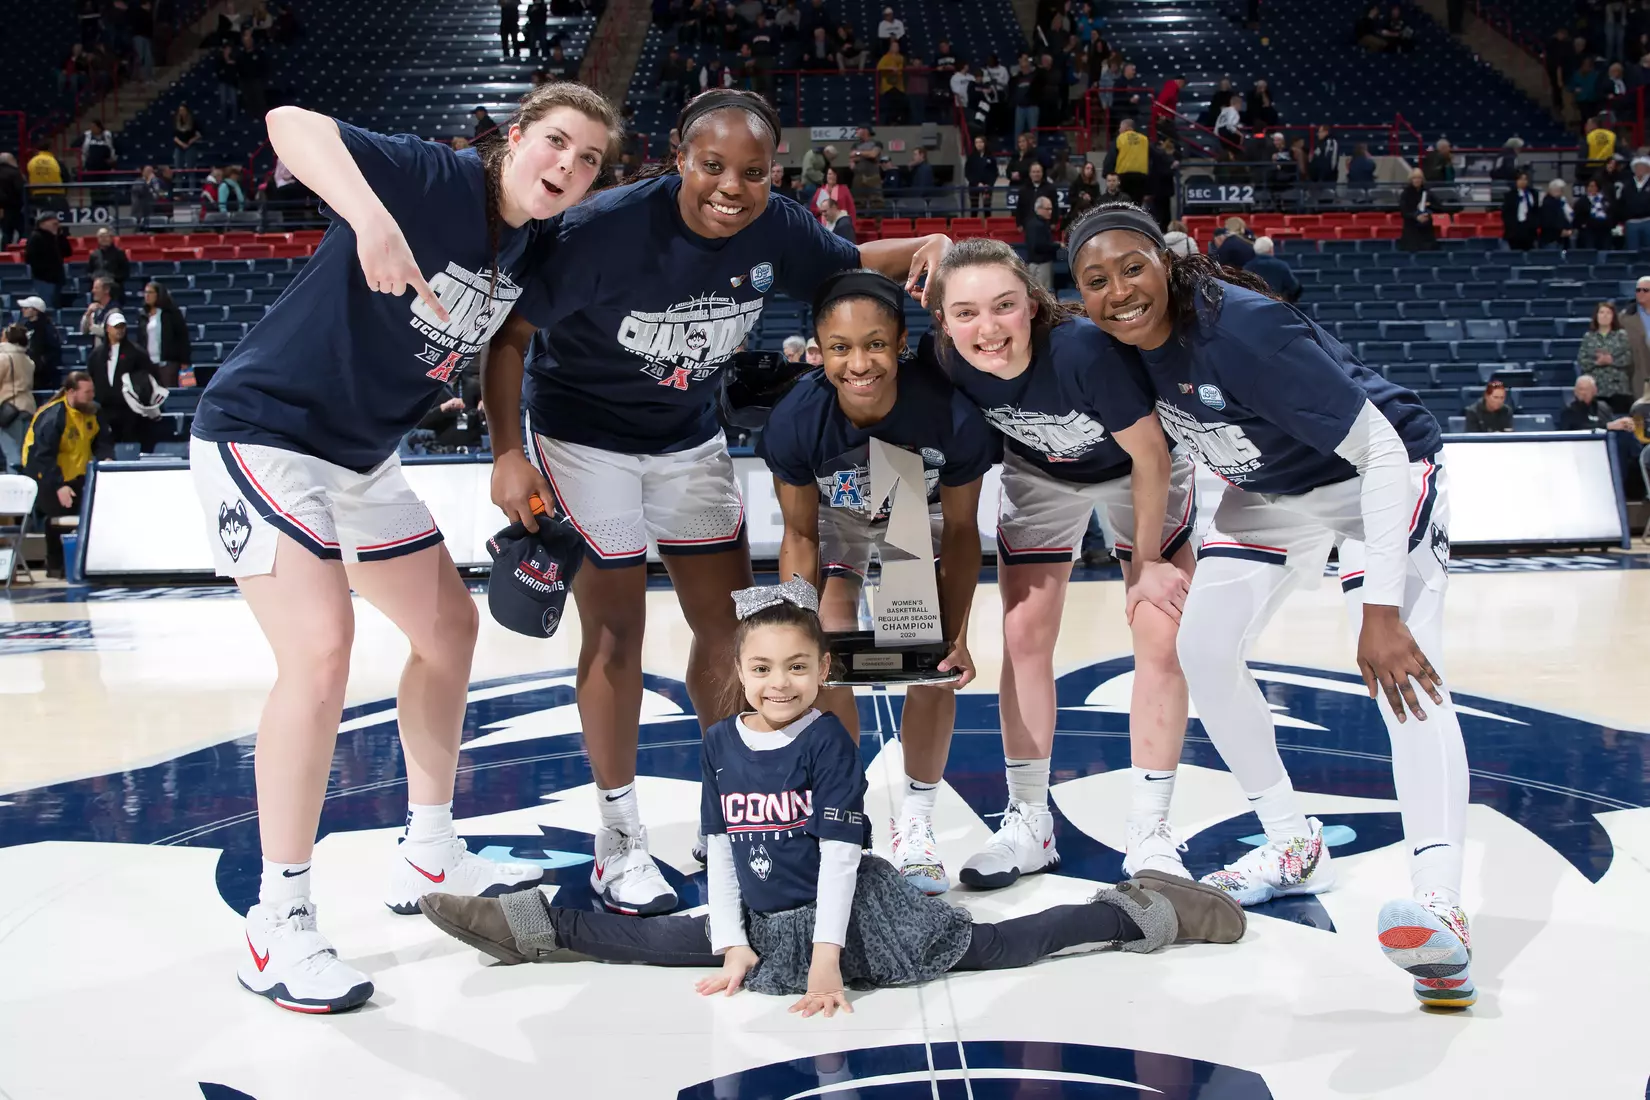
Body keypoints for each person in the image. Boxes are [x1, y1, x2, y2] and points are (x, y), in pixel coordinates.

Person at [185, 83, 623, 1015]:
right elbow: (289, 123)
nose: (568, 166)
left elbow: (505, 343)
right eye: (556, 142)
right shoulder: (436, 179)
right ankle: (277, 922)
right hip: (262, 433)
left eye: (588, 160)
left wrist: (508, 450)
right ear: (516, 138)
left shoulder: (533, 246)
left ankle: (428, 849)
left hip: (359, 459)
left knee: (450, 629)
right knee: (321, 651)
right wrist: (372, 219)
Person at [481, 90, 950, 917]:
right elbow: (510, 333)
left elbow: (849, 262)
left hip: (689, 437)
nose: (732, 187)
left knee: (733, 631)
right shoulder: (603, 229)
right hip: (583, 437)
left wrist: (930, 245)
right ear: (679, 157)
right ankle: (619, 839)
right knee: (616, 631)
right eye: (713, 166)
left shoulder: (778, 229)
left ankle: (730, 803)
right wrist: (508, 452)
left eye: (753, 172)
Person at [417, 580, 1247, 1003]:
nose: (779, 684)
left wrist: (824, 965)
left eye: (796, 668)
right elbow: (723, 855)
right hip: (763, 918)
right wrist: (733, 942)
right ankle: (522, 926)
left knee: (1005, 946)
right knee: (651, 942)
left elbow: (843, 862)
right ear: (738, 671)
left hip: (849, 918)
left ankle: (1144, 910)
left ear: (823, 670)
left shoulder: (827, 742)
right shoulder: (719, 744)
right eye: (761, 668)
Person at [1072, 201, 1475, 1010]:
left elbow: (1381, 449)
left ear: (1166, 262)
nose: (1119, 291)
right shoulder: (1108, 346)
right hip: (1270, 490)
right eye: (1096, 280)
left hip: (1376, 477)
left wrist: (1381, 611)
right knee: (1202, 649)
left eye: (1132, 268)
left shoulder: (1243, 330)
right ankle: (1294, 844)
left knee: (1405, 678)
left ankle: (1441, 903)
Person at [926, 236, 1199, 887]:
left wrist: (1149, 561)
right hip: (1041, 473)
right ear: (943, 320)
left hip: (1140, 470)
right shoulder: (948, 361)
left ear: (1032, 304)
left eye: (1004, 306)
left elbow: (1151, 455)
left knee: (1160, 629)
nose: (988, 328)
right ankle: (1029, 821)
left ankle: (1151, 829)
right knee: (1022, 632)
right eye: (966, 313)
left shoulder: (1082, 352)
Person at [757, 271, 996, 892]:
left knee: (930, 659)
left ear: (901, 345)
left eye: (875, 345)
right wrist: (798, 633)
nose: (859, 364)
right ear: (818, 351)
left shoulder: (950, 414)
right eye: (840, 348)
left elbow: (963, 532)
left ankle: (917, 821)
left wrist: (956, 633)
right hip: (838, 519)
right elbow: (800, 536)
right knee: (827, 650)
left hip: (918, 510)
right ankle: (845, 808)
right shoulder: (796, 420)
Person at [19, 372, 98, 575]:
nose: (92, 396)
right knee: (58, 514)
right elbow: (43, 456)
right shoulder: (53, 416)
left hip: (76, 474)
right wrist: (59, 485)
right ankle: (55, 565)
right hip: (45, 475)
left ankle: (81, 564)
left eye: (92, 391)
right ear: (71, 392)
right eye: (87, 392)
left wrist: (107, 457)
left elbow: (100, 439)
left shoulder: (90, 411)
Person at [85, 311, 165, 457]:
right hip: (105, 411)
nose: (120, 330)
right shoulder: (96, 355)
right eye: (116, 327)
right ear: (107, 328)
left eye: (122, 326)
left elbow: (151, 378)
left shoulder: (137, 353)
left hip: (130, 413)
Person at [1576, 301, 1634, 410]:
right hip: (1596, 389)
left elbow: (1628, 358)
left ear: (1613, 316)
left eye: (1608, 313)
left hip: (1618, 388)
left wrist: (1611, 361)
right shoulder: (1589, 337)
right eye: (1601, 312)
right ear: (1596, 316)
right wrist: (1596, 363)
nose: (1605, 316)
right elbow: (1582, 361)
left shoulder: (1621, 335)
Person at [142, 281, 193, 388]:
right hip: (149, 363)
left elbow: (182, 337)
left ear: (158, 294)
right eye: (145, 292)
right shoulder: (143, 315)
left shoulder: (171, 313)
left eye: (150, 292)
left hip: (168, 364)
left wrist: (185, 360)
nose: (147, 295)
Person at [0, 324, 35, 473]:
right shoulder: (28, 360)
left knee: (13, 456)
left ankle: (15, 486)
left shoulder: (3, 358)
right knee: (23, 454)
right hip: (28, 408)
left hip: (9, 411)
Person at [1558, 374, 1636, 432]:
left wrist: (1624, 425)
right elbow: (1579, 429)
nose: (1584, 393)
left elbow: (1612, 426)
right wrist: (1608, 426)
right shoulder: (1568, 410)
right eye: (1581, 389)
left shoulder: (1603, 407)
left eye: (1587, 389)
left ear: (1594, 391)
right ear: (1575, 391)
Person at [25, 213, 70, 310]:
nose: (56, 225)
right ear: (42, 224)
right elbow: (30, 258)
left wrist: (60, 236)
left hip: (57, 279)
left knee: (54, 305)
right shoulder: (36, 236)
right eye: (53, 223)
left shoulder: (56, 237)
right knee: (46, 307)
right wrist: (45, 270)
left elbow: (67, 252)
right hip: (44, 279)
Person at [1243, 236, 1300, 302]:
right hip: (1275, 304)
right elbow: (1294, 287)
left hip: (1254, 304)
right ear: (1271, 249)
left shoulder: (1247, 267)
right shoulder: (1281, 266)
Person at [17, 297, 62, 380]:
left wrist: (41, 362)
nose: (23, 310)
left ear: (36, 310)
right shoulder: (24, 326)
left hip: (43, 374)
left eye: (26, 308)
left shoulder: (47, 328)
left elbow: (54, 351)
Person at [87, 228, 131, 303]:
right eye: (101, 236)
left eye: (106, 236)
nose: (103, 239)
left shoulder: (119, 253)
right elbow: (89, 271)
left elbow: (125, 272)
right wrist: (96, 278)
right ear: (98, 239)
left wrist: (111, 278)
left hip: (115, 290)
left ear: (111, 238)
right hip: (98, 291)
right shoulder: (94, 254)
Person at [1398, 169, 1438, 252]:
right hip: (1411, 230)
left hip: (1426, 231)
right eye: (1414, 178)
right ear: (1411, 179)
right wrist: (1416, 216)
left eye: (1419, 178)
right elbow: (1404, 212)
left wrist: (1429, 205)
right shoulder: (1405, 194)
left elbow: (1439, 207)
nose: (1417, 180)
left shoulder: (1427, 192)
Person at [1501, 170, 1539, 251]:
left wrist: (1533, 224)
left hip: (1529, 231)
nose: (1523, 181)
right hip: (1514, 231)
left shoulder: (1533, 194)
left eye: (1525, 179)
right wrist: (1512, 227)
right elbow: (1506, 214)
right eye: (1520, 179)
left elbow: (1536, 211)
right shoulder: (1510, 195)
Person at [1025, 196, 1057, 289]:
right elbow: (1038, 246)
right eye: (1047, 209)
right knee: (1043, 293)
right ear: (1039, 209)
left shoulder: (1033, 222)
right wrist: (1056, 245)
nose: (1050, 212)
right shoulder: (1038, 225)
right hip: (1040, 266)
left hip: (1036, 265)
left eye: (1051, 209)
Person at [964, 134, 997, 216]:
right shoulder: (971, 158)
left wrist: (988, 184)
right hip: (974, 186)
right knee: (974, 207)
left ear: (984, 143)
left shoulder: (991, 157)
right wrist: (977, 183)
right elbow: (968, 172)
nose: (979, 144)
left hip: (987, 186)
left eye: (980, 142)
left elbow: (994, 172)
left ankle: (988, 222)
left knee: (987, 207)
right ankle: (974, 223)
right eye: (976, 142)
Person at [1539, 179, 1575, 247]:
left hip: (1561, 239)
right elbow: (1548, 222)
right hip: (1551, 239)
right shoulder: (1547, 203)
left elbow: (1564, 217)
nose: (1562, 192)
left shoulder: (1560, 202)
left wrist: (1568, 229)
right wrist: (1560, 232)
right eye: (1560, 190)